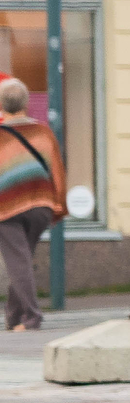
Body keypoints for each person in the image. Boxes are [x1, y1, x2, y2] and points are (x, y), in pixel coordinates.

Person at [0, 77, 65, 332]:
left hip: (6, 207)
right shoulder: (43, 133)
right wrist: (58, 204)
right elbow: (57, 171)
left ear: (2, 105)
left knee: (18, 262)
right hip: (40, 204)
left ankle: (31, 316)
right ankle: (14, 318)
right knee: (22, 260)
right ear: (26, 104)